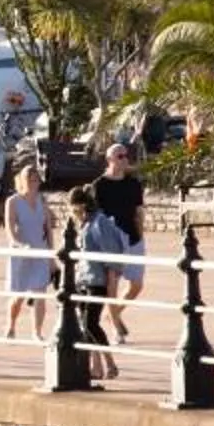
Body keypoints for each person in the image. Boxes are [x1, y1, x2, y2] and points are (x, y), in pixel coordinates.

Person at [71, 183, 124, 380]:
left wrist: (112, 282)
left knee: (90, 323)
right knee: (85, 325)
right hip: (83, 279)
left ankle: (110, 363)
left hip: (97, 280)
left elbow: (112, 253)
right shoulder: (84, 223)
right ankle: (96, 367)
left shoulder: (99, 222)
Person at [92, 142, 147, 331]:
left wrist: (141, 235)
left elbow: (139, 211)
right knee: (112, 284)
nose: (124, 159)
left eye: (126, 155)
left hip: (133, 236)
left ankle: (112, 314)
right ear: (109, 159)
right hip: (111, 239)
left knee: (136, 285)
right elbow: (95, 216)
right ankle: (117, 328)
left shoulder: (133, 184)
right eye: (120, 156)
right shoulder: (99, 185)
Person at [3, 162, 55, 339]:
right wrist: (18, 244)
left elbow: (48, 230)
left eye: (35, 180)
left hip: (40, 252)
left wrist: (51, 256)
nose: (33, 183)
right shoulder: (13, 202)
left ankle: (37, 332)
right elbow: (10, 229)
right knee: (18, 296)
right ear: (21, 181)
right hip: (21, 253)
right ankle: (11, 325)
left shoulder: (42, 201)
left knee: (40, 294)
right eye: (29, 180)